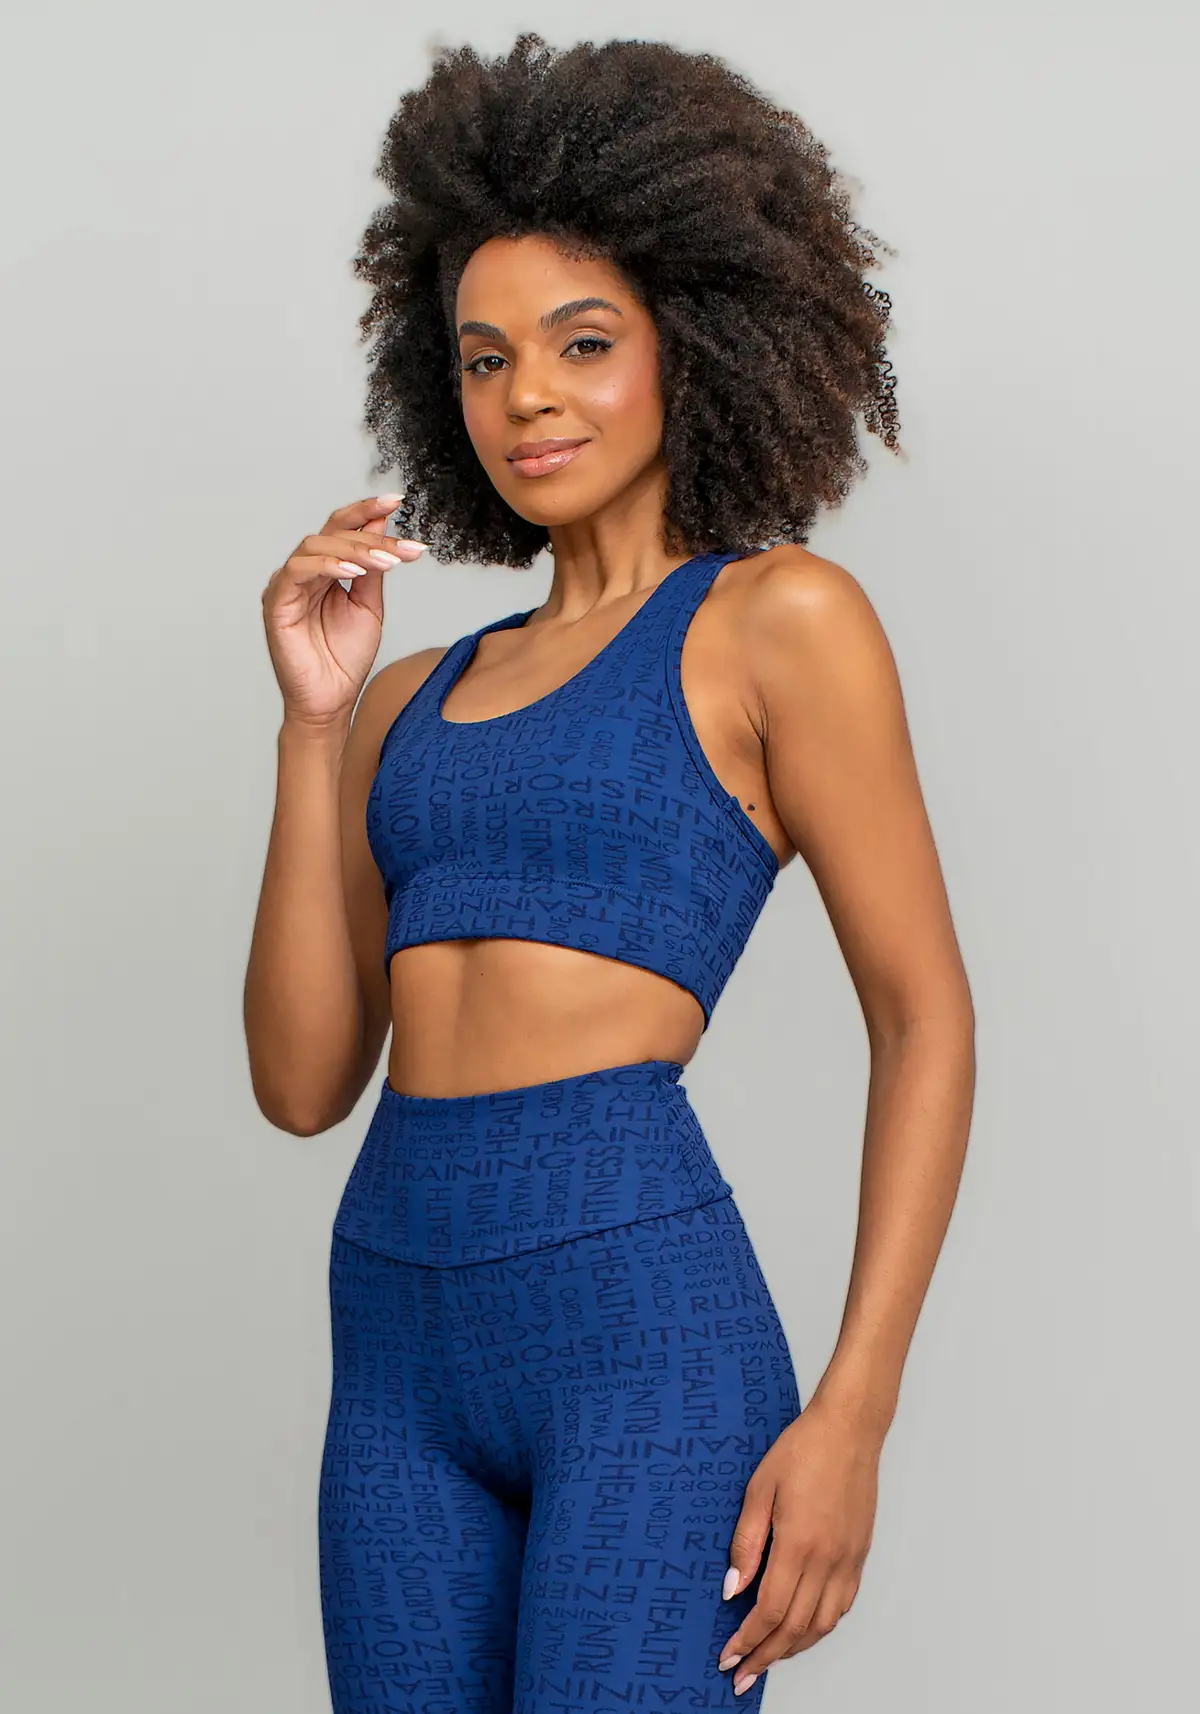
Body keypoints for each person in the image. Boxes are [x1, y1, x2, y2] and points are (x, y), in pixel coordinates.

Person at [244, 33, 975, 1714]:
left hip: (638, 1334)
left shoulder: (777, 624)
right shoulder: (406, 699)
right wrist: (310, 725)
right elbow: (300, 1084)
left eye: (584, 342)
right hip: (395, 1344)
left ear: (691, 343)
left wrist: (854, 1412)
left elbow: (925, 1018)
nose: (530, 397)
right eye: (485, 358)